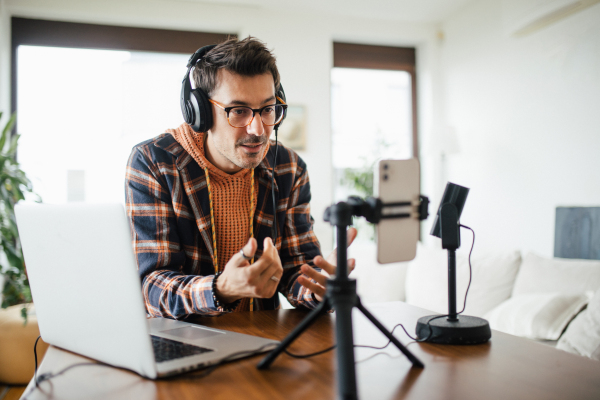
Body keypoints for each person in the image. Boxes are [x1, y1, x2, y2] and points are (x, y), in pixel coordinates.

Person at [125, 36, 356, 319]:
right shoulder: (154, 161)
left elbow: (296, 268)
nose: (258, 129)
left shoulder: (288, 167)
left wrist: (317, 288)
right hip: (183, 338)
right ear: (201, 113)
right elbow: (151, 287)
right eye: (239, 111)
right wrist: (221, 288)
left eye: (268, 109)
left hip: (261, 339)